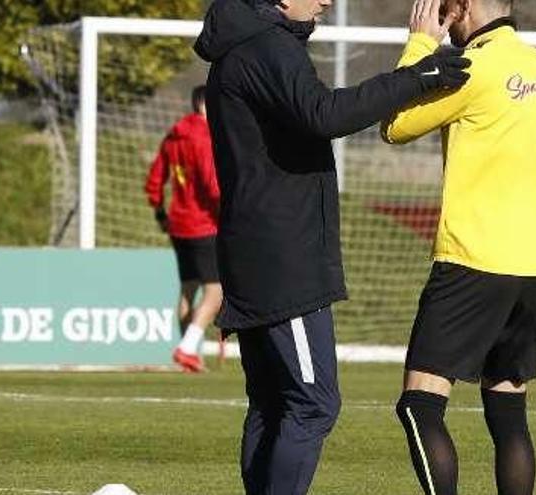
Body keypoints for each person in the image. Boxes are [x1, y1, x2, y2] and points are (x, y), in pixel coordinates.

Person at [194, 0, 471, 493]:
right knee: (313, 403)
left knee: (275, 403)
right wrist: (419, 76)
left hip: (260, 250)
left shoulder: (251, 46)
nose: (326, 0)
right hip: (282, 260)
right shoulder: (265, 48)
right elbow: (325, 114)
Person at [380, 1, 536, 494]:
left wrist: (422, 44)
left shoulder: (469, 68)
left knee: (419, 405)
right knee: (508, 416)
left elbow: (394, 124)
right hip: (535, 265)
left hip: (475, 259)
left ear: (460, 6)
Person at [144, 85, 222, 373]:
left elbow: (154, 179)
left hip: (178, 225)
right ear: (204, 105)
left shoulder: (173, 135)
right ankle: (187, 348)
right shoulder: (204, 137)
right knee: (216, 293)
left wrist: (160, 212)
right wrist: (227, 214)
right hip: (204, 224)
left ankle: (190, 359)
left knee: (188, 291)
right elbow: (211, 185)